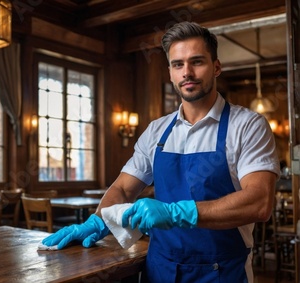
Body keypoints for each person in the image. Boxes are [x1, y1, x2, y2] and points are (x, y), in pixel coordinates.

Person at [42, 21, 280, 282]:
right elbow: (123, 189)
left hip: (222, 271)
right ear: (170, 73)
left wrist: (175, 213)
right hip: (160, 269)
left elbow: (259, 202)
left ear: (217, 67)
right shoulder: (157, 131)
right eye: (178, 64)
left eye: (197, 62)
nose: (187, 72)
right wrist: (99, 221)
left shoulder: (247, 125)